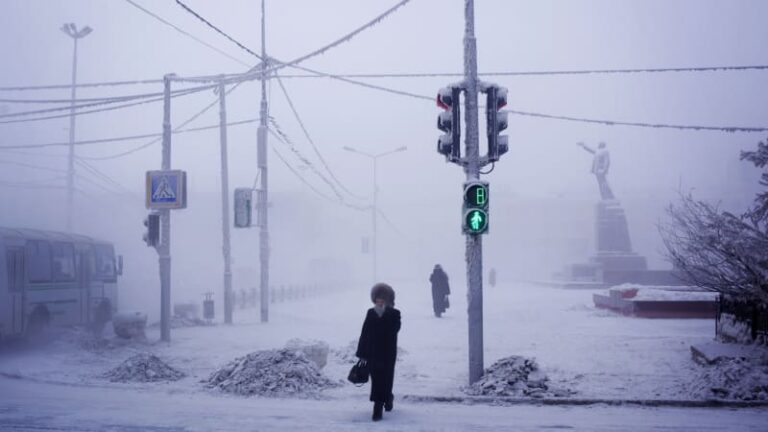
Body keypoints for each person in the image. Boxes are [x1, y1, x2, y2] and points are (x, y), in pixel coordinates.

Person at [355, 283, 401, 421]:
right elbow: (364, 332)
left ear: (388, 300)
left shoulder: (394, 314)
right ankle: (378, 407)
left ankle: (387, 398)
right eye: (377, 299)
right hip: (373, 353)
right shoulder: (370, 312)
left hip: (388, 353)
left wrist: (385, 314)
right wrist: (362, 352)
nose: (379, 301)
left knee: (386, 379)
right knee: (376, 380)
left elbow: (395, 330)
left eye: (382, 299)